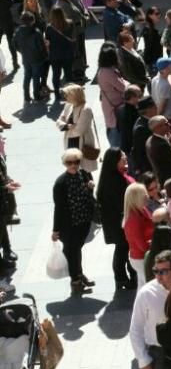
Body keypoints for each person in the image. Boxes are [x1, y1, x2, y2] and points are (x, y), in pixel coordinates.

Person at [51, 148, 97, 294]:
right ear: (65, 163)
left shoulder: (83, 174)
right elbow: (58, 208)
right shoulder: (60, 183)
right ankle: (75, 282)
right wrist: (56, 230)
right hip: (69, 225)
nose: (73, 165)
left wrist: (89, 188)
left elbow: (87, 195)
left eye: (76, 162)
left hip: (83, 221)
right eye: (70, 162)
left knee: (76, 250)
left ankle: (79, 273)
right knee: (72, 252)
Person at [97, 147, 139, 290]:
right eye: (122, 157)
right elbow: (121, 204)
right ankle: (121, 277)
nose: (125, 158)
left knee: (122, 249)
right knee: (122, 249)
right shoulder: (114, 181)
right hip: (119, 224)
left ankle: (123, 276)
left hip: (121, 222)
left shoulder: (117, 176)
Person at [56, 83, 100, 173]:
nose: (65, 97)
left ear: (74, 95)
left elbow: (79, 131)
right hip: (70, 141)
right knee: (72, 167)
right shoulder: (68, 105)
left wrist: (67, 128)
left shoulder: (86, 109)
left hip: (82, 142)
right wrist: (67, 126)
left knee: (84, 170)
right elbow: (59, 121)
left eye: (67, 94)